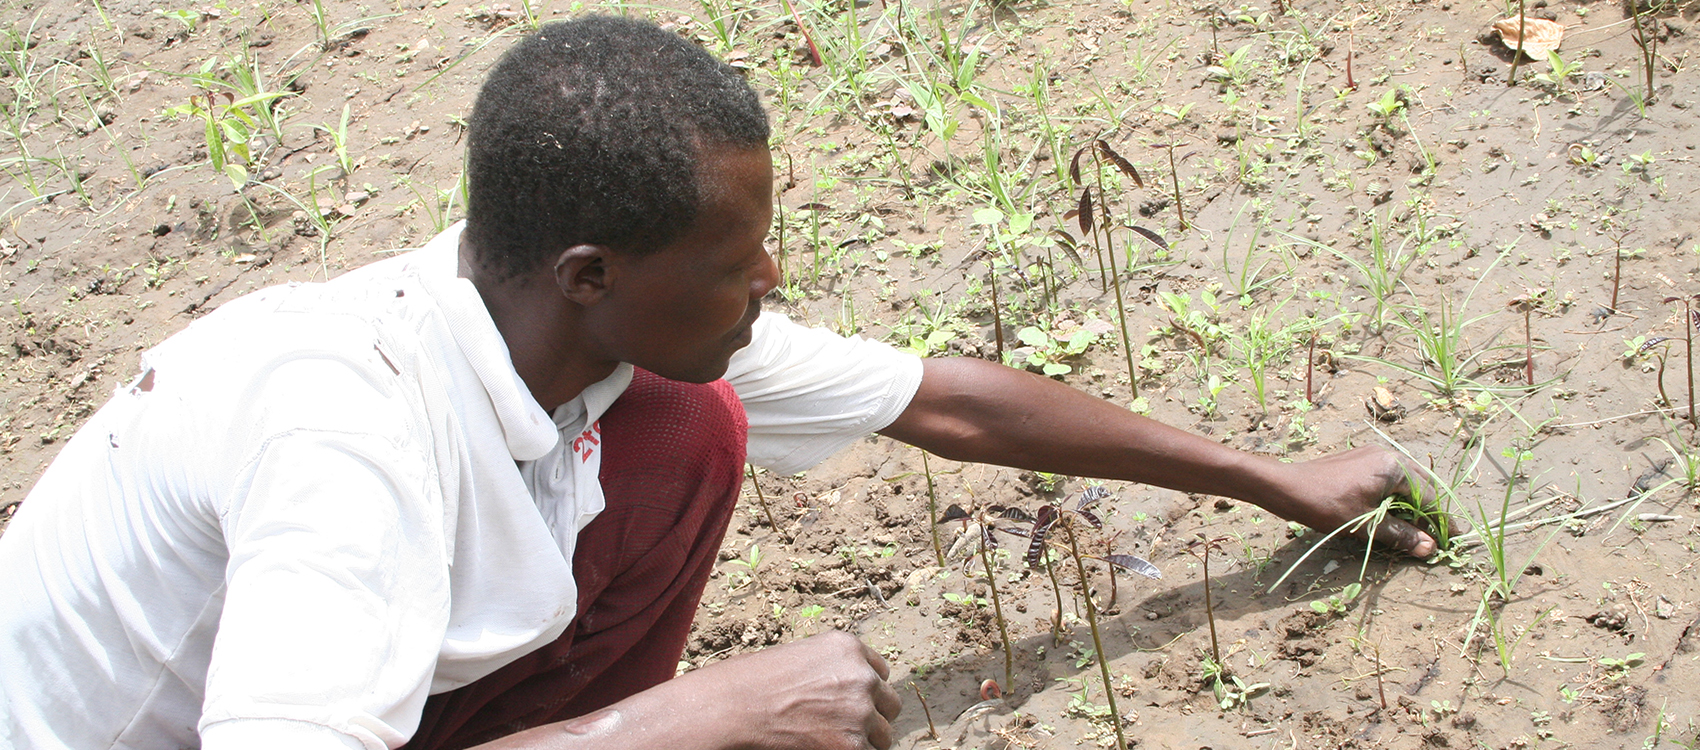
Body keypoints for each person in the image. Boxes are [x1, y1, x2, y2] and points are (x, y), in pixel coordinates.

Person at [0, 16, 1435, 750]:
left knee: (691, 432)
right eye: (737, 255)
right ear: (589, 271)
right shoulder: (346, 443)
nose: (772, 278)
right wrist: (671, 721)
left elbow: (945, 399)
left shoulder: (564, 325)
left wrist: (1270, 478)